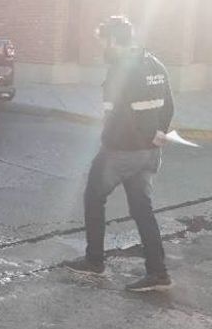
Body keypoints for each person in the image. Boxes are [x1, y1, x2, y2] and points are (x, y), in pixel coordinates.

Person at [63, 16, 174, 292]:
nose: (102, 47)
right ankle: (158, 273)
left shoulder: (120, 70)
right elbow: (168, 105)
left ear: (113, 40)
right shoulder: (154, 63)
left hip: (123, 150)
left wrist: (109, 144)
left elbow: (117, 117)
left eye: (103, 41)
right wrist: (159, 132)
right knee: (141, 208)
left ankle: (94, 261)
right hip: (150, 152)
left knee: (93, 196)